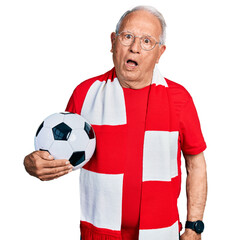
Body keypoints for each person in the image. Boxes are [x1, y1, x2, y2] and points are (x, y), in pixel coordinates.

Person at [24, 6, 207, 240]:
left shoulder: (179, 98)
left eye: (147, 41)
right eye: (127, 36)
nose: (135, 48)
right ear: (113, 42)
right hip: (98, 233)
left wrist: (194, 226)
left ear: (160, 52)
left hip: (162, 232)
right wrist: (33, 164)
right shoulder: (85, 93)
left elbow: (196, 164)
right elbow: (59, 154)